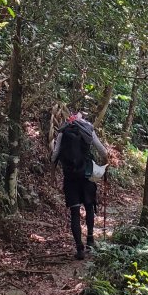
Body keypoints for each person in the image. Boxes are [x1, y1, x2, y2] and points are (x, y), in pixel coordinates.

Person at [51, 110, 108, 260]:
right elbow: (102, 151)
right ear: (81, 119)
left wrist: (53, 153)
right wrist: (105, 163)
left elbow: (54, 156)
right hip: (87, 175)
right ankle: (90, 239)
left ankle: (79, 249)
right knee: (89, 206)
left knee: (75, 212)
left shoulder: (63, 131)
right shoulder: (88, 129)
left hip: (70, 177)